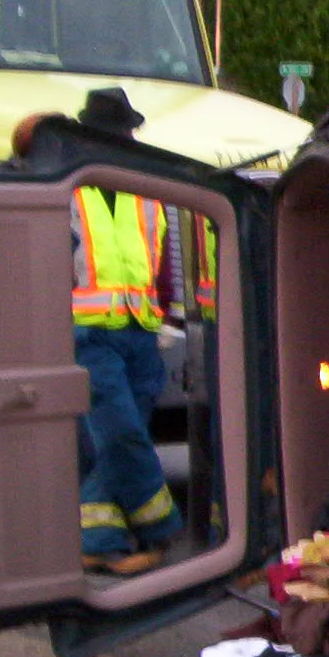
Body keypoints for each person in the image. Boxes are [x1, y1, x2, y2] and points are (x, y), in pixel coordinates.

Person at [67, 89, 185, 573]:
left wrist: (163, 316)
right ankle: (162, 528)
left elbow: (159, 266)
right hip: (88, 333)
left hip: (140, 333)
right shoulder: (70, 190)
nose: (126, 141)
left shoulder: (145, 191)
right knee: (120, 437)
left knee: (115, 441)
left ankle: (99, 539)